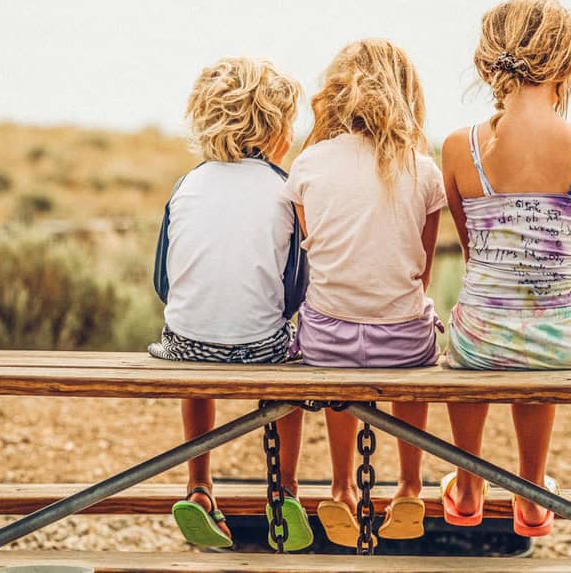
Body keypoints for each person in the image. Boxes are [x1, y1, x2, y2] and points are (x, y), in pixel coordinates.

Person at [439, 0, 571, 537]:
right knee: (537, 343)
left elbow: (472, 250)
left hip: (483, 335)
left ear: (489, 59)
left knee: (473, 342)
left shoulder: (458, 147)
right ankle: (531, 492)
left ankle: (467, 486)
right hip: (567, 336)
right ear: (566, 62)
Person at [283, 38, 446, 547]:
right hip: (401, 340)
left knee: (339, 357)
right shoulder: (423, 169)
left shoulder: (309, 165)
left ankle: (340, 487)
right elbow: (422, 273)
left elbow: (314, 258)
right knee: (413, 355)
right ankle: (409, 487)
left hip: (325, 341)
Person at [149, 57, 312, 551]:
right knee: (293, 361)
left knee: (193, 347)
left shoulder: (188, 184)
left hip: (184, 345)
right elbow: (294, 290)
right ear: (276, 125)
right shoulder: (284, 189)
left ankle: (199, 486)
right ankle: (284, 489)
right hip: (263, 347)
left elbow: (163, 281)